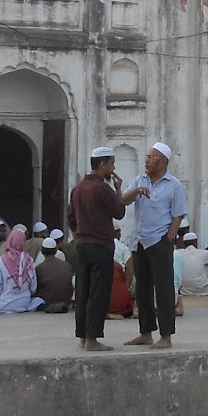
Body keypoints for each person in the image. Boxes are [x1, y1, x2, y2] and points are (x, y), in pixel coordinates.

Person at [66, 146, 146, 351]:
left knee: (83, 290)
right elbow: (119, 212)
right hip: (100, 245)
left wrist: (78, 236)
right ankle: (92, 340)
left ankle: (83, 337)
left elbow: (71, 218)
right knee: (99, 292)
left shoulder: (78, 188)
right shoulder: (102, 188)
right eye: (112, 164)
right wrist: (119, 188)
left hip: (82, 246)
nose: (113, 168)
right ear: (103, 165)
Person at [125, 142, 188, 350]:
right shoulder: (139, 180)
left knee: (163, 289)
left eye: (150, 158)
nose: (146, 160)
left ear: (162, 162)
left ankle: (166, 335)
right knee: (142, 289)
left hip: (159, 242)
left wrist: (168, 239)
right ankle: (145, 333)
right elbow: (123, 200)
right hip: (139, 241)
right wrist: (135, 192)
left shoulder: (174, 185)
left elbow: (178, 215)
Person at [0, 227, 40, 314]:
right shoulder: (29, 260)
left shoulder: (0, 261)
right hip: (25, 303)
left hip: (5, 303)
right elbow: (33, 287)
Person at [33, 238, 74, 315]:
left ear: (42, 252)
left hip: (47, 303)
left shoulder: (39, 268)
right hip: (66, 301)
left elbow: (35, 289)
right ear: (56, 250)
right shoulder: (67, 265)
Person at [177, 232, 208, 298]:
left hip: (185, 290)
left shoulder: (179, 252)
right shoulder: (204, 253)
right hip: (202, 289)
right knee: (207, 263)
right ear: (195, 242)